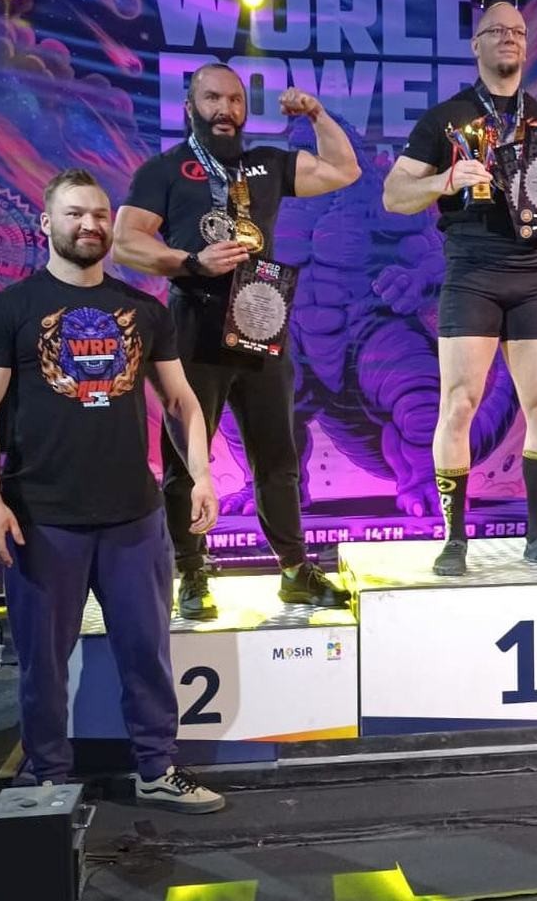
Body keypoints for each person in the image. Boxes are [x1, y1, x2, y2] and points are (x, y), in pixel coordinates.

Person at [0, 168, 225, 812]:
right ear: (45, 223)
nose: (90, 225)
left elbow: (182, 401)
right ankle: (47, 777)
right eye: (75, 213)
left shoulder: (144, 310)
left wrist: (202, 473)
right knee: (43, 663)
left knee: (147, 653)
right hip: (42, 517)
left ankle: (156, 767)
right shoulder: (5, 311)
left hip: (134, 516)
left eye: (100, 214)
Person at [113, 64, 360, 619]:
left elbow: (344, 169)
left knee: (278, 455)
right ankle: (192, 572)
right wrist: (190, 261)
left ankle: (294, 571)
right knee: (185, 457)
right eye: (212, 99)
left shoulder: (267, 163)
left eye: (234, 100)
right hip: (194, 325)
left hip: (259, 321)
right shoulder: (165, 170)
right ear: (190, 106)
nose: (224, 109)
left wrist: (318, 114)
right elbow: (125, 243)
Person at [382, 0, 537, 577]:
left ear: (527, 44)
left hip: (534, 274)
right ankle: (454, 540)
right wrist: (445, 178)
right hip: (472, 271)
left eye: (517, 31)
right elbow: (394, 196)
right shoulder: (445, 120)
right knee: (458, 404)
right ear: (475, 44)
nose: (508, 38)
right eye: (496, 30)